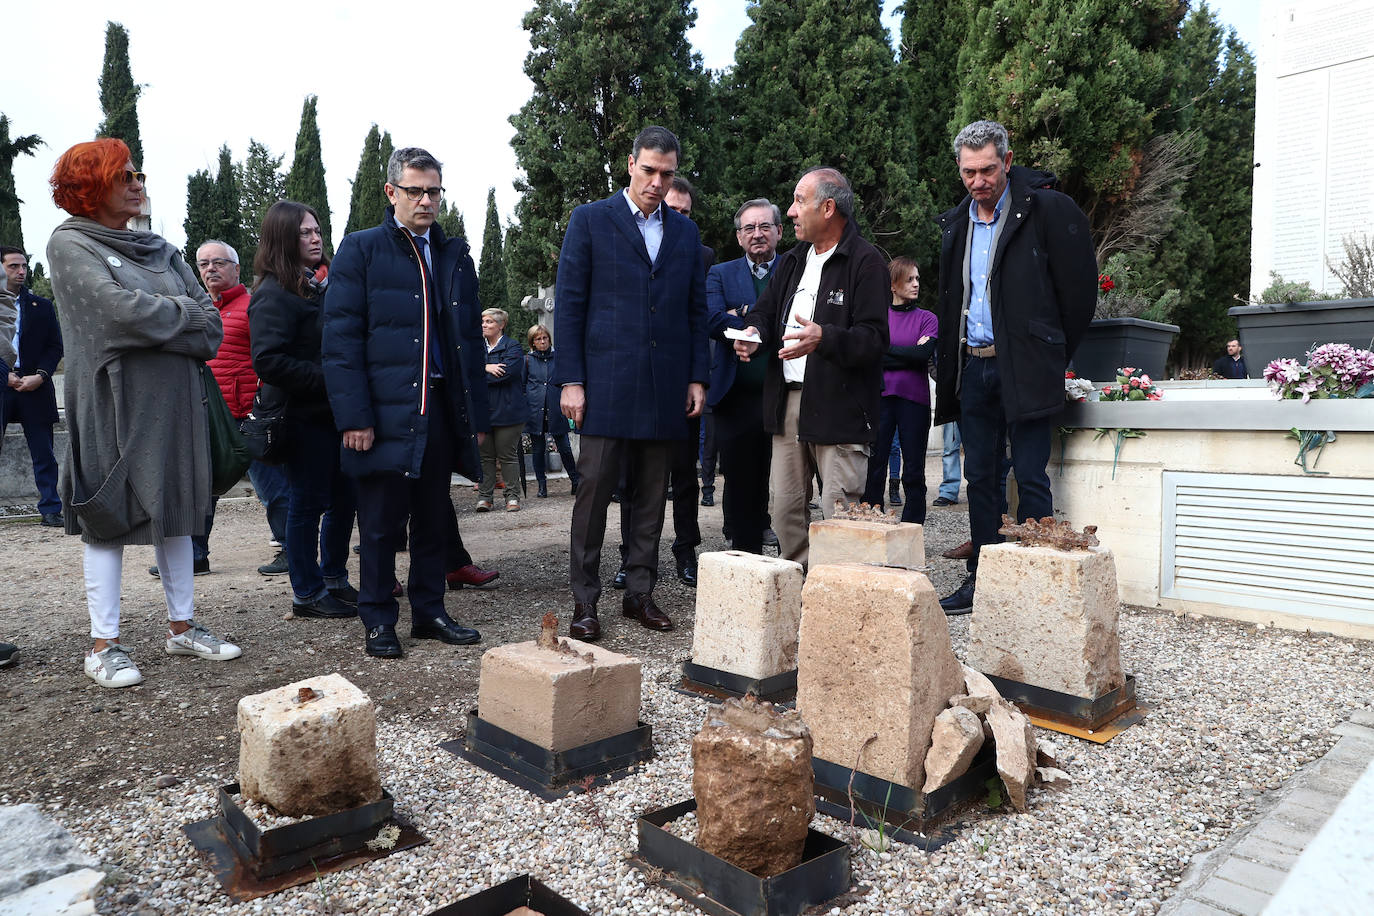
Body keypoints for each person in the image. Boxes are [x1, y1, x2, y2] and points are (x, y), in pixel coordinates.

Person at [46, 138, 241, 688]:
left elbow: (212, 328)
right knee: (106, 517)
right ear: (91, 186)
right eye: (123, 175)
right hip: (111, 401)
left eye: (137, 174)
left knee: (175, 511)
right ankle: (103, 645)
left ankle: (183, 627)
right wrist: (179, 314)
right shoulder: (70, 242)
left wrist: (163, 323)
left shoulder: (160, 247)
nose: (137, 183)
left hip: (176, 402)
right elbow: (113, 314)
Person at [324, 146, 489, 660]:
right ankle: (377, 618)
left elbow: (469, 343)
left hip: (439, 404)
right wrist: (354, 416)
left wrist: (474, 416)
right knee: (379, 522)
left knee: (434, 516)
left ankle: (430, 611)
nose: (425, 200)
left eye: (433, 191)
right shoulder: (361, 249)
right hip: (384, 409)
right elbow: (340, 340)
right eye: (415, 190)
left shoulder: (455, 255)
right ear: (392, 192)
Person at [932, 120, 1097, 615]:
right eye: (967, 172)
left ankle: (1037, 581)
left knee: (1029, 475)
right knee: (979, 478)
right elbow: (952, 296)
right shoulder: (957, 221)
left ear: (1006, 161)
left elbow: (1078, 292)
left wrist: (1049, 350)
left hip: (1026, 365)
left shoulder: (1047, 208)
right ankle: (982, 579)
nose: (977, 181)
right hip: (973, 366)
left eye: (986, 169)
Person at [554, 125, 709, 640]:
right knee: (594, 492)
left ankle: (639, 593)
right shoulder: (592, 221)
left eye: (666, 174)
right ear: (630, 164)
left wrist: (696, 377)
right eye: (649, 171)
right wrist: (571, 380)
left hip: (665, 387)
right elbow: (570, 305)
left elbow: (693, 312)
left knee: (651, 496)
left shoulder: (685, 233)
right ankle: (585, 600)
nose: (657, 182)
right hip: (605, 385)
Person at [736, 167, 889, 568]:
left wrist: (826, 338)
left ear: (828, 207)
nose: (790, 211)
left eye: (798, 201)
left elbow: (874, 339)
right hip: (788, 405)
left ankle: (835, 595)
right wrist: (752, 332)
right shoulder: (791, 262)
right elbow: (767, 314)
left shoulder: (866, 261)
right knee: (786, 510)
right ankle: (798, 591)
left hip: (839, 406)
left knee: (839, 514)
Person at [249, 202, 359, 619]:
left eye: (317, 230)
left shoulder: (319, 284)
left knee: (344, 499)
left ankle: (334, 578)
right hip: (301, 417)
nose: (315, 238)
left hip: (334, 415)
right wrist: (330, 377)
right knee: (307, 504)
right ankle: (307, 593)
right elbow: (268, 361)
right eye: (304, 233)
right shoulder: (273, 293)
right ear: (282, 239)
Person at [612, 176, 712, 588]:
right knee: (632, 478)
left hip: (679, 384)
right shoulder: (630, 245)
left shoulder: (699, 253)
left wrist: (697, 378)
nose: (678, 217)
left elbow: (698, 318)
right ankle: (631, 558)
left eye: (686, 212)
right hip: (637, 382)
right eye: (674, 209)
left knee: (685, 475)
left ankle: (686, 552)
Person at [706, 197, 783, 554]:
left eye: (764, 226)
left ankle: (782, 549)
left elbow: (790, 319)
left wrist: (743, 315)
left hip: (781, 391)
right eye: (749, 228)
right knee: (737, 477)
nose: (757, 234)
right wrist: (758, 324)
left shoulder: (793, 270)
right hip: (733, 393)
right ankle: (743, 552)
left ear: (779, 232)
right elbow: (712, 319)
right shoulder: (720, 273)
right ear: (739, 237)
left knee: (780, 476)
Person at [862, 257, 937, 523]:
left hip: (914, 401)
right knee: (875, 465)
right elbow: (868, 355)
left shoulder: (927, 318)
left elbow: (922, 354)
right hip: (880, 399)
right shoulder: (877, 317)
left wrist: (884, 351)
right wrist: (904, 354)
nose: (916, 284)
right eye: (909, 279)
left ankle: (912, 526)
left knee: (914, 469)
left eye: (917, 279)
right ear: (893, 285)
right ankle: (871, 522)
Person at [1, 246, 64, 527]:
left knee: (44, 454)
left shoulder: (42, 306)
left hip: (34, 387)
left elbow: (55, 346)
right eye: (13, 266)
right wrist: (5, 374)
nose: (21, 271)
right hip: (2, 383)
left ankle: (50, 508)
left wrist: (40, 375)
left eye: (24, 266)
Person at [476, 307, 527, 512]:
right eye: (483, 322)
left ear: (501, 325)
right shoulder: (477, 348)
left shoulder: (513, 346)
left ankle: (512, 497)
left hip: (508, 411)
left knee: (507, 456)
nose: (484, 325)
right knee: (485, 457)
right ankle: (485, 498)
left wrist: (479, 372)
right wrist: (486, 367)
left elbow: (506, 373)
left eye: (489, 322)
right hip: (483, 411)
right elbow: (467, 372)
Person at [524, 323, 579, 498]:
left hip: (556, 409)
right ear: (532, 342)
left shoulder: (558, 357)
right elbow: (523, 385)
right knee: (538, 449)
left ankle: (575, 481)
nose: (542, 341)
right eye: (538, 339)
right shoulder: (527, 360)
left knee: (564, 447)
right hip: (535, 410)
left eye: (545, 338)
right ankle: (542, 485)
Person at [932, 422, 962, 507]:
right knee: (950, 449)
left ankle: (979, 490)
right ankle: (949, 492)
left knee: (977, 451)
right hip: (953, 411)